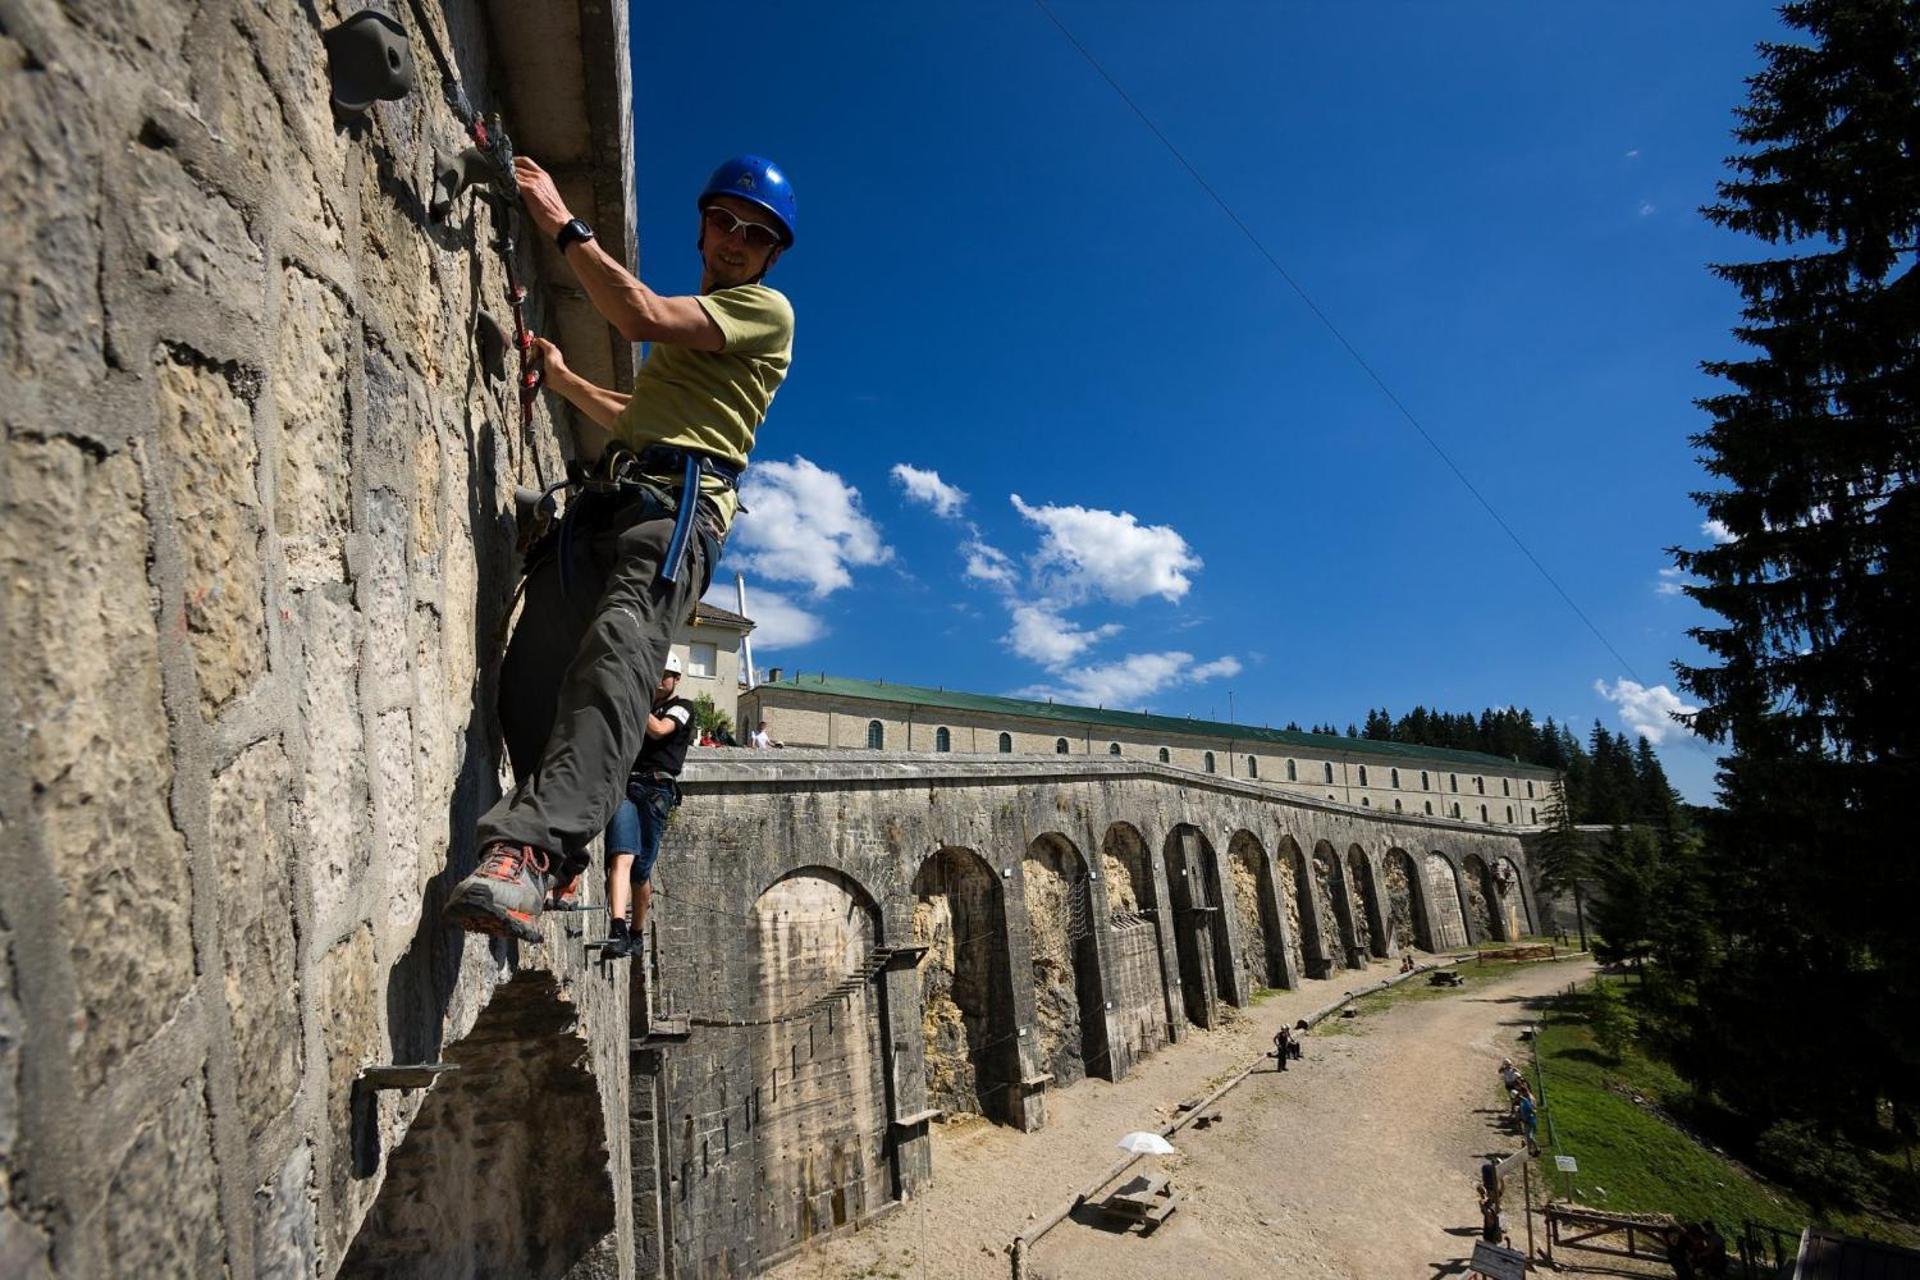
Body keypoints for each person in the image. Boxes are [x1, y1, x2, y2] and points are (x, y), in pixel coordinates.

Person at [442, 153, 796, 942]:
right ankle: (556, 850)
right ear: (703, 226)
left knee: (614, 660)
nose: (736, 240)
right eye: (724, 221)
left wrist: (560, 222)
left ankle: (527, 853)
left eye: (757, 233)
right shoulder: (691, 352)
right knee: (530, 676)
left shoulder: (767, 311)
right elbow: (634, 416)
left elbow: (635, 313)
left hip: (678, 515)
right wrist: (564, 381)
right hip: (616, 498)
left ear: (773, 256)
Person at [599, 654, 697, 959]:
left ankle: (637, 932)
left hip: (657, 789)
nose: (659, 679)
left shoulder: (682, 707)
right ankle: (618, 929)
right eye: (655, 673)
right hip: (627, 787)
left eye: (666, 675)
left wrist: (634, 695)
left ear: (676, 679)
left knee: (640, 872)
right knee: (621, 857)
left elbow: (659, 729)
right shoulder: (641, 706)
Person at [1517, 1089, 1539, 1154]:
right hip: (1526, 1121)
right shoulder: (1523, 1102)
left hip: (1530, 1121)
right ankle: (1531, 1150)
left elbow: (1533, 1111)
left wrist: (1529, 1117)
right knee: (1528, 1136)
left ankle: (1535, 1149)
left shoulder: (1526, 1101)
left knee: (1529, 1136)